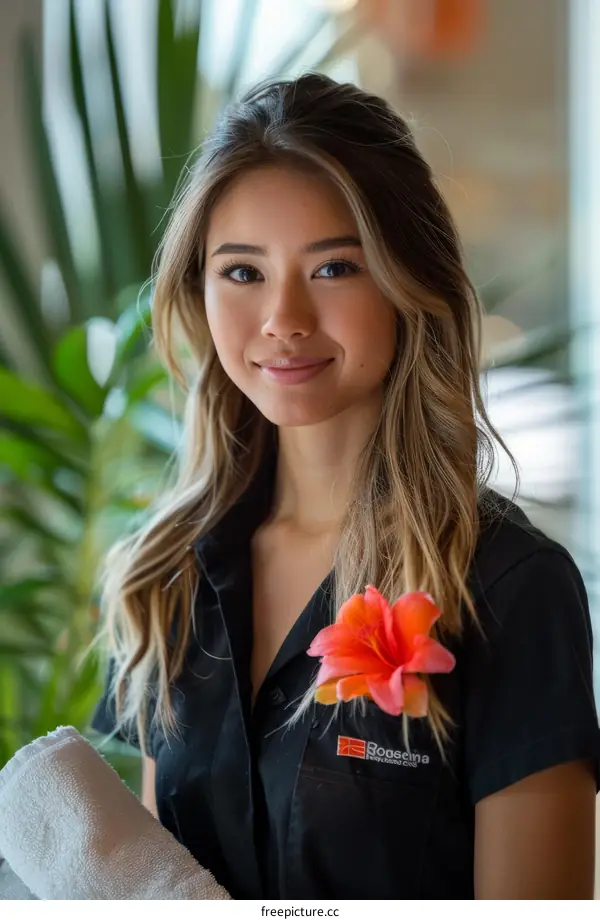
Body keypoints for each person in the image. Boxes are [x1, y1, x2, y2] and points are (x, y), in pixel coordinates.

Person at [91, 73, 600, 900]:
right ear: (198, 292)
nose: (283, 318)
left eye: (333, 268)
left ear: (410, 282)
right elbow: (160, 890)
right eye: (243, 272)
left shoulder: (510, 588)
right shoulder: (169, 578)